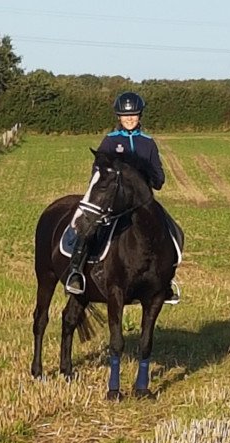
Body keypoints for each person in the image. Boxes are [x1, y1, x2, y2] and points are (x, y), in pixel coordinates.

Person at [65, 92, 176, 298]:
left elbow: (159, 179)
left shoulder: (148, 143)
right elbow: (97, 173)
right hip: (114, 203)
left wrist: (143, 177)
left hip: (141, 204)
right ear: (118, 117)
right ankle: (76, 272)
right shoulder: (110, 141)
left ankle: (167, 280)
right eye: (125, 115)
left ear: (140, 115)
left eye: (133, 114)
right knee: (89, 228)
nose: (130, 119)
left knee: (170, 229)